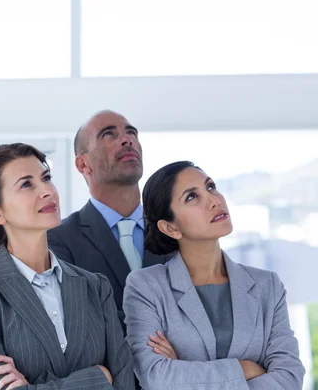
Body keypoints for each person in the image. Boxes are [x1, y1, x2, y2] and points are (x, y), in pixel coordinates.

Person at [0, 143, 135, 389]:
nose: (47, 190)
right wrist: (98, 377)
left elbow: (123, 382)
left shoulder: (95, 287)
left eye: (46, 178)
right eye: (27, 184)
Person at [123, 161, 305, 389]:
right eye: (191, 197)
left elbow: (289, 378)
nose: (214, 200)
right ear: (171, 228)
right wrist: (246, 369)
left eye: (210, 187)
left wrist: (184, 371)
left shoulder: (267, 285)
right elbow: (156, 376)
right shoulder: (146, 287)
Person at [48, 110, 167, 328]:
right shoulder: (58, 240)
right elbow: (79, 321)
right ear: (83, 165)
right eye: (108, 135)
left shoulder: (174, 230)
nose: (127, 139)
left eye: (131, 133)